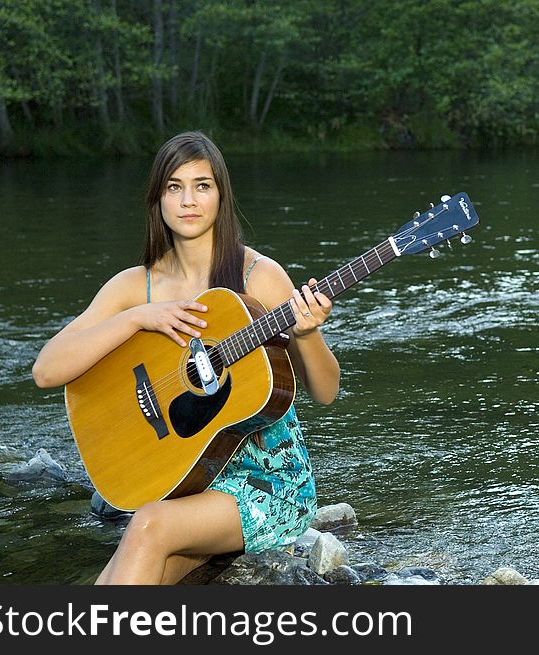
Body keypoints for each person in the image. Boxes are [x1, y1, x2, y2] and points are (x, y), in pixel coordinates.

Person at [31, 130, 340, 584]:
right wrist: (138, 318)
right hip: (182, 479)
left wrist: (308, 333)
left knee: (147, 525)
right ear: (157, 199)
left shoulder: (258, 277)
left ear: (221, 196)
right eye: (174, 187)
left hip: (266, 485)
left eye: (202, 185)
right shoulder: (135, 286)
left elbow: (327, 391)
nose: (188, 200)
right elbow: (46, 369)